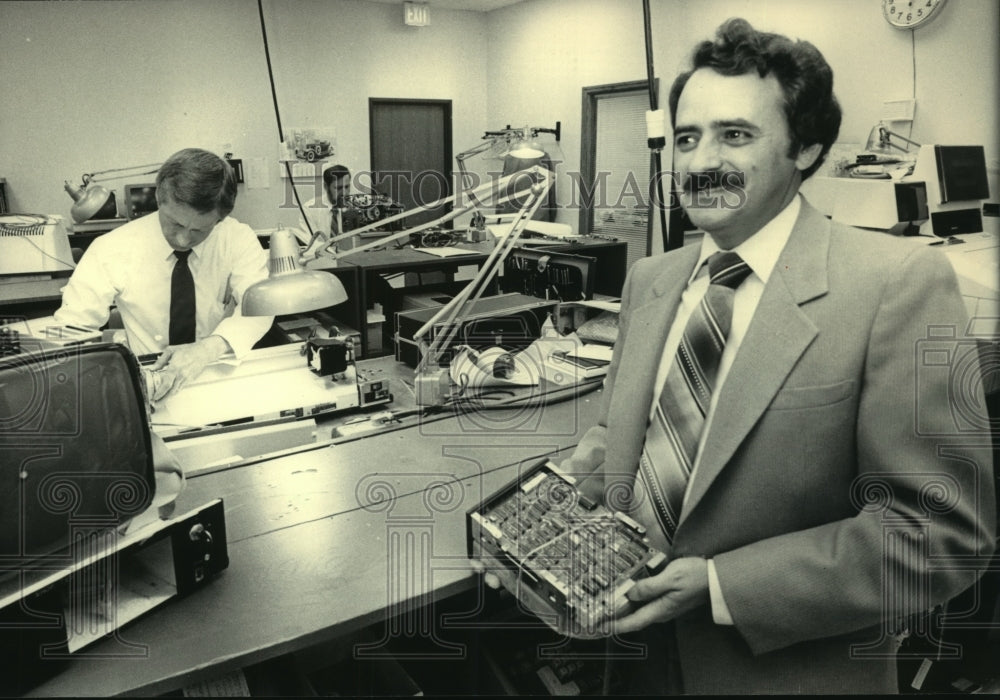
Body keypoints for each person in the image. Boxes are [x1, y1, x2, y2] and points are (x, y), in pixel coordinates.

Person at [487, 18, 995, 694]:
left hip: (782, 672)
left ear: (807, 149)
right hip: (633, 663)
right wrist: (535, 523)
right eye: (686, 138)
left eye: (735, 135)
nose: (699, 163)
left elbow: (941, 532)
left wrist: (721, 587)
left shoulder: (897, 284)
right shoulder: (652, 280)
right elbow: (617, 441)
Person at [55, 148, 273, 398]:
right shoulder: (111, 248)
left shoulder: (237, 239)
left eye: (199, 231)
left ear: (220, 220)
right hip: (148, 383)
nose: (183, 239)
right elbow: (72, 325)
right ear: (159, 198)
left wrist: (206, 350)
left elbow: (260, 308)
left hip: (215, 372)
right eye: (176, 224)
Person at [299, 163, 359, 253]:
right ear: (326, 187)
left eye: (347, 187)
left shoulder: (354, 207)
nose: (344, 193)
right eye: (338, 188)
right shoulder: (309, 209)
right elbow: (309, 243)